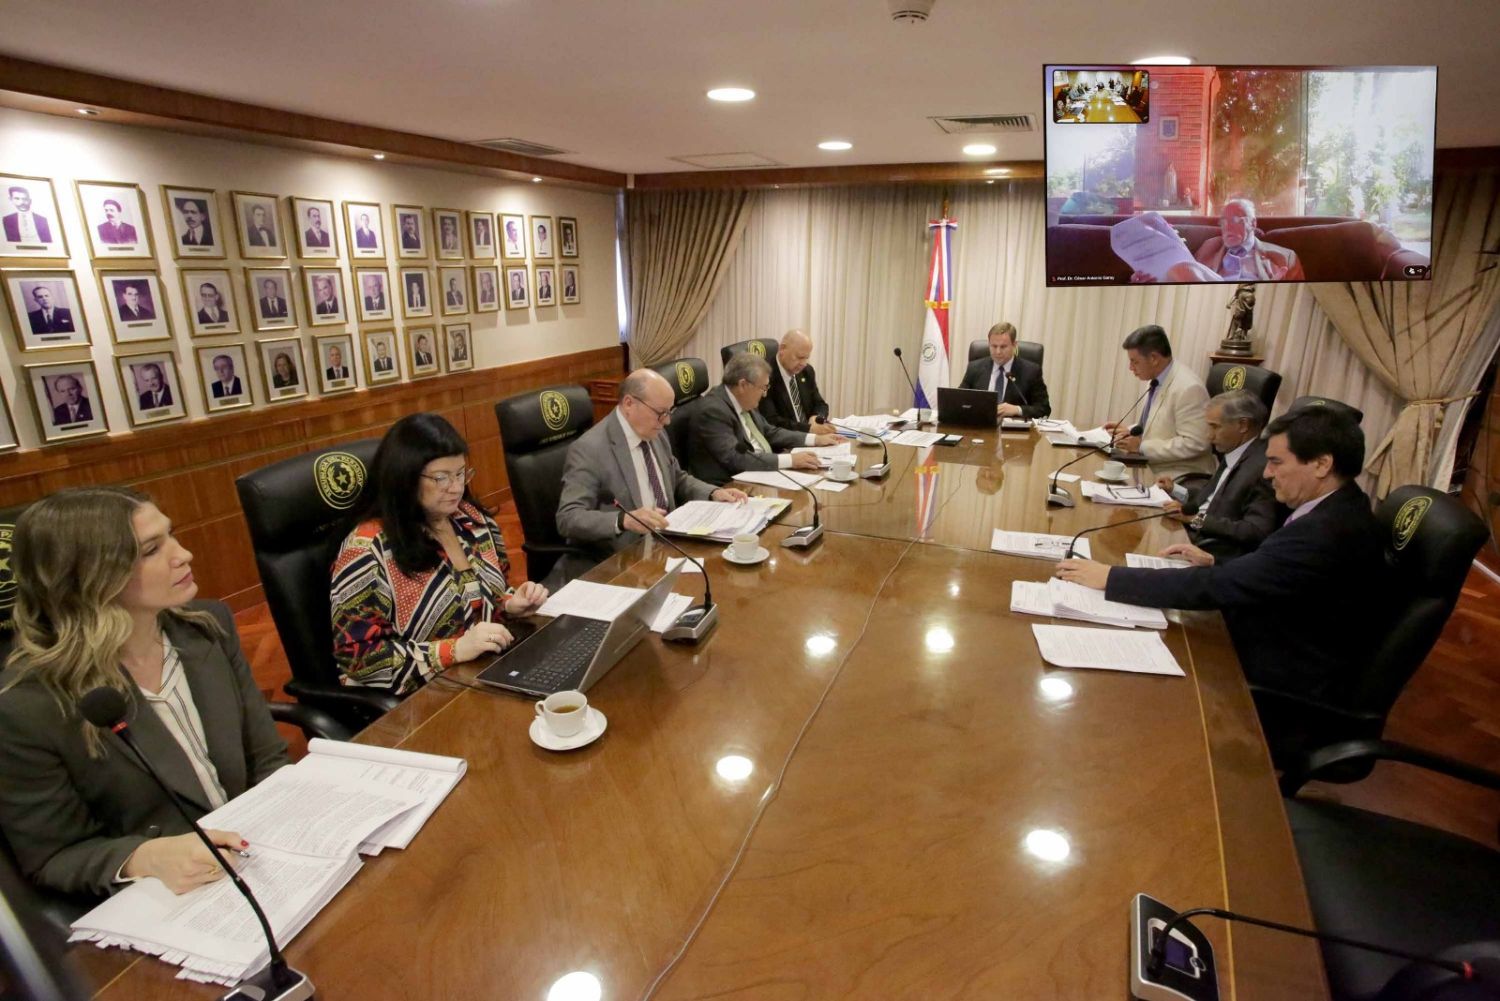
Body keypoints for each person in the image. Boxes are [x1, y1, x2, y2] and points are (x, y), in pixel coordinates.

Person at [0, 488, 288, 897]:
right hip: (169, 896)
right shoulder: (27, 706)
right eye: (151, 550)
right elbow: (53, 856)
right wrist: (146, 857)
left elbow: (267, 758)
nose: (184, 554)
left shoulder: (207, 627)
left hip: (261, 854)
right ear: (89, 577)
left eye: (171, 535)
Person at [1056, 407, 1386, 700]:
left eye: (1276, 462)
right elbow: (1280, 572)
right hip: (1275, 634)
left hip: (1279, 674)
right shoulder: (1340, 505)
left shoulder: (1325, 531)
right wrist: (1216, 560)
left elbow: (1218, 585)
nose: (1267, 473)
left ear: (1322, 464)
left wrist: (1111, 577)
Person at [330, 414, 548, 694]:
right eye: (441, 477)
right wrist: (455, 650)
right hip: (423, 695)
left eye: (461, 473)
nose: (456, 488)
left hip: (486, 670)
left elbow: (485, 596)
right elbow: (359, 658)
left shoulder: (472, 520)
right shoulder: (367, 550)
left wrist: (509, 603)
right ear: (405, 478)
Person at [557, 368, 747, 573]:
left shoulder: (654, 432)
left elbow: (676, 478)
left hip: (668, 543)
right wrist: (623, 520)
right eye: (661, 413)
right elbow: (568, 517)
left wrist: (713, 492)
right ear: (629, 404)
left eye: (669, 412)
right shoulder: (590, 449)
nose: (667, 421)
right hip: (624, 558)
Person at [1155, 390, 1284, 562]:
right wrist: (1175, 490)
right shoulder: (1234, 450)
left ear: (1243, 425)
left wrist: (1196, 519)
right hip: (1191, 533)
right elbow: (1212, 498)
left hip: (1211, 552)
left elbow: (1256, 531)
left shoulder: (1262, 469)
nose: (1209, 436)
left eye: (1215, 427)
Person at [688, 352, 840, 486]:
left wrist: (814, 439)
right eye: (763, 387)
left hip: (761, 473)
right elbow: (735, 458)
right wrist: (790, 460)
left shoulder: (744, 400)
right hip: (732, 486)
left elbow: (769, 432)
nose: (765, 394)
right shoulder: (713, 411)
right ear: (743, 385)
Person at [1103, 325, 1214, 478]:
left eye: (1134, 362)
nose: (1131, 368)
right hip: (1150, 467)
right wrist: (1129, 432)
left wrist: (1141, 446)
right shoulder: (1157, 379)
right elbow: (1158, 425)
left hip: (1179, 475)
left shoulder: (1189, 388)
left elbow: (1196, 443)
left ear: (1154, 358)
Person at [956, 322, 1052, 420]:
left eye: (1003, 347)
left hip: (1012, 427)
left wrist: (1017, 409)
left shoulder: (1031, 371)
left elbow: (1044, 409)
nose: (998, 352)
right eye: (994, 346)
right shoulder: (974, 367)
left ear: (1014, 345)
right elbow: (958, 400)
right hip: (980, 424)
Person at [759, 329, 833, 434]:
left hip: (811, 436)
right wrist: (808, 429)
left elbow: (820, 404)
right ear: (782, 349)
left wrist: (816, 418)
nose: (803, 363)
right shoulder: (765, 376)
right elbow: (771, 421)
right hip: (786, 440)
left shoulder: (807, 371)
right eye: (799, 357)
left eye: (806, 358)